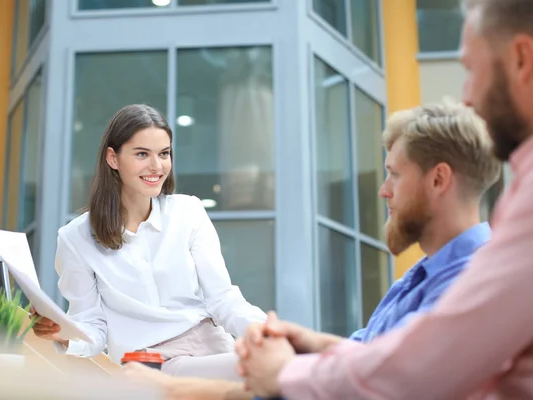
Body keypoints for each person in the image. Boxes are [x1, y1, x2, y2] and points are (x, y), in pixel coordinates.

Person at [237, 0, 533, 398]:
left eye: (470, 70)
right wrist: (309, 344)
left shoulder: (475, 259)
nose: (467, 95)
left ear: (521, 58)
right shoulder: (421, 274)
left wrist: (286, 374)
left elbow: (426, 369)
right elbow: (389, 356)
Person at [121, 99, 502, 399]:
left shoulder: (470, 287)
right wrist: (309, 341)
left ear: (438, 179)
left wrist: (184, 391)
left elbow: (386, 386)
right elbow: (374, 359)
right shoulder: (423, 277)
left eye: (395, 175)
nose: (384, 190)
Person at [31, 104, 266, 380]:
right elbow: (93, 327)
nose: (157, 166)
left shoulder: (188, 212)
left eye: (164, 154)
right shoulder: (76, 238)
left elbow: (222, 298)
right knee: (267, 373)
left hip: (211, 346)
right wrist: (64, 335)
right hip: (149, 362)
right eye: (142, 154)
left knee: (282, 364)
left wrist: (266, 331)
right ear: (112, 158)